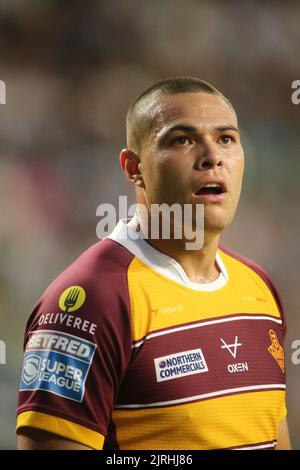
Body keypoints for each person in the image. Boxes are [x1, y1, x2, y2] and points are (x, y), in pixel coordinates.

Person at [17, 77, 291, 450]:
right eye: (182, 139)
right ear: (134, 167)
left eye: (226, 138)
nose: (213, 155)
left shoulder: (258, 288)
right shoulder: (91, 301)